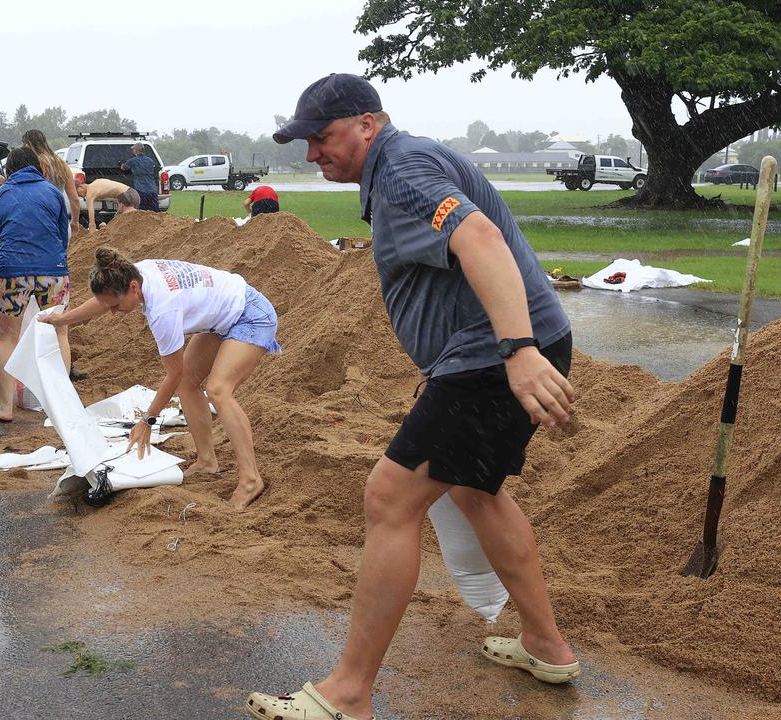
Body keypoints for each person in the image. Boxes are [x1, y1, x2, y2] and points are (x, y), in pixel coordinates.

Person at [244, 74, 578, 720]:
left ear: (369, 123)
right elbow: (453, 268)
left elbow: (480, 240)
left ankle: (347, 694)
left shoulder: (399, 173)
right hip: (482, 354)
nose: (313, 154)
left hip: (496, 354)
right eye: (305, 142)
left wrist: (517, 350)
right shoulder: (402, 165)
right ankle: (547, 645)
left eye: (324, 137)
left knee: (389, 497)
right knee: (476, 491)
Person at [40, 248, 278, 508]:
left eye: (116, 306)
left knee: (218, 390)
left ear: (133, 288)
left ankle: (251, 479)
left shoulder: (162, 310)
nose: (112, 312)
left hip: (251, 315)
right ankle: (207, 461)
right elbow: (104, 300)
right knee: (189, 383)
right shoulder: (132, 272)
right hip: (223, 315)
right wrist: (64, 319)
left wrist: (147, 420)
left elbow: (172, 374)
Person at [0, 146, 70, 423]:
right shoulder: (53, 192)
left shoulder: (2, 194)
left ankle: (5, 407)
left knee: (7, 337)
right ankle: (59, 404)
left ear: (9, 171)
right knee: (59, 334)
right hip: (52, 270)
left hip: (11, 271)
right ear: (39, 168)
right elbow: (62, 234)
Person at [22, 129, 81, 235]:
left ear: (28, 144)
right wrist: (75, 221)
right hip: (60, 221)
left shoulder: (34, 164)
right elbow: (74, 198)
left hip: (38, 221)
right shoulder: (62, 164)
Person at [119, 143, 160, 212]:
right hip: (152, 190)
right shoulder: (150, 160)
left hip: (141, 191)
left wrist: (121, 163)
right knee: (155, 213)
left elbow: (123, 168)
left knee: (141, 213)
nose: (133, 151)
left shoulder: (133, 161)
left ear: (136, 151)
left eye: (134, 149)